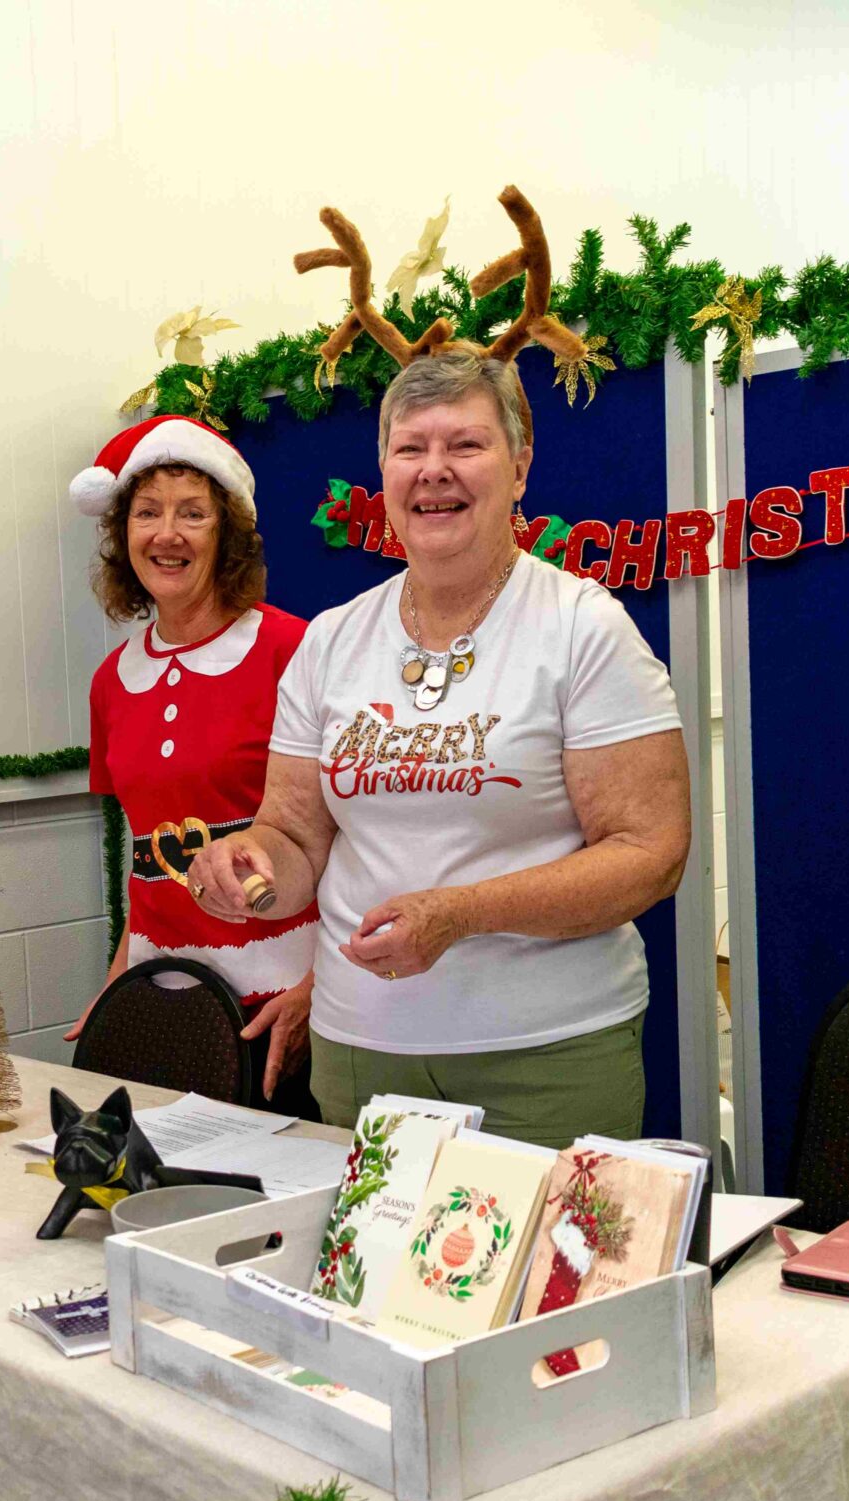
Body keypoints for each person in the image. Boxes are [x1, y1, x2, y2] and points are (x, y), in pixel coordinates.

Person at [186, 347, 690, 1142]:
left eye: (465, 445)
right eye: (410, 448)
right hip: (363, 1053)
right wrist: (249, 866)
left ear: (520, 469)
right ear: (383, 470)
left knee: (545, 1272)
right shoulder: (332, 641)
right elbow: (294, 839)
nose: (434, 470)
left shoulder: (581, 627)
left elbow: (652, 851)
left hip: (545, 1059)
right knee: (368, 1273)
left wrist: (463, 913)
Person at [64, 415, 320, 1114]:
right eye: (146, 513)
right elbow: (145, 861)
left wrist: (318, 991)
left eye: (192, 513)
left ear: (228, 533)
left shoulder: (292, 650)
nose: (166, 534)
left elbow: (357, 839)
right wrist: (116, 990)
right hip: (163, 1006)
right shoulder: (112, 682)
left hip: (280, 1012)